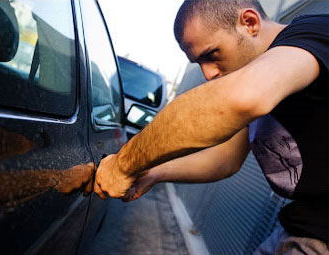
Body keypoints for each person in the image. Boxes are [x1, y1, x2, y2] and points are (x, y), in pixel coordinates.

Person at [94, 0, 328, 253]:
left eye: (211, 54)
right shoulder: (259, 76)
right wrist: (153, 172)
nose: (208, 74)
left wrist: (123, 164)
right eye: (199, 63)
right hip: (299, 227)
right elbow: (224, 159)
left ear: (249, 23)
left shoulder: (316, 32)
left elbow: (241, 98)